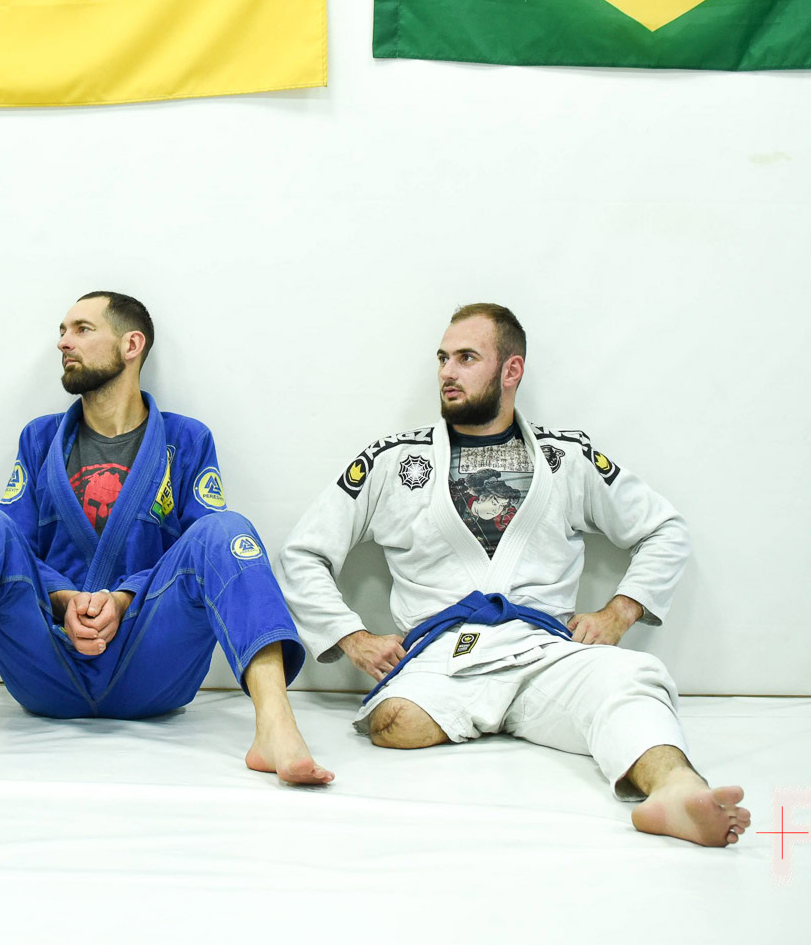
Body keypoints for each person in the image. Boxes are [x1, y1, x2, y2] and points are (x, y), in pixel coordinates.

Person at [280, 303, 750, 845]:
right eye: (442, 358)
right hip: (444, 656)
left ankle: (678, 793)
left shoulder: (566, 456)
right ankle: (513, 714)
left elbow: (663, 529)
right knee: (394, 722)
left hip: (543, 650)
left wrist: (619, 613)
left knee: (631, 680)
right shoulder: (393, 461)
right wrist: (353, 638)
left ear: (511, 370)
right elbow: (303, 552)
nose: (447, 372)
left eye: (466, 358)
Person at [0, 292, 329, 785]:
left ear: (131, 345)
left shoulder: (187, 440)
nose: (63, 343)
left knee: (226, 531)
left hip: (151, 663)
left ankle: (275, 726)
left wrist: (123, 599)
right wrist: (64, 598)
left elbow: (196, 558)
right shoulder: (40, 439)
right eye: (62, 331)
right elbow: (13, 552)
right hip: (48, 663)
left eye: (81, 329)